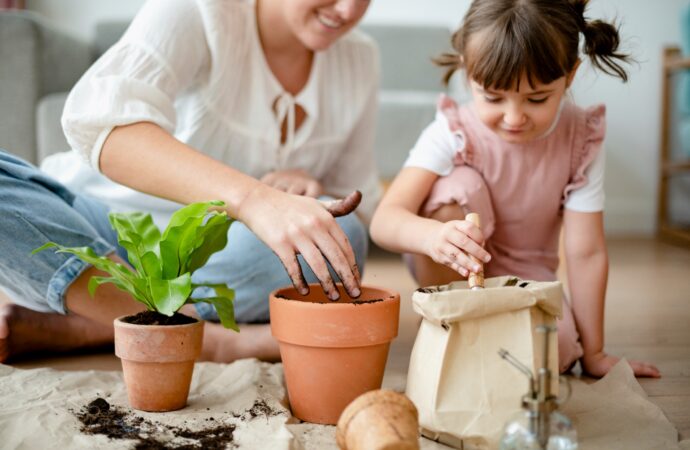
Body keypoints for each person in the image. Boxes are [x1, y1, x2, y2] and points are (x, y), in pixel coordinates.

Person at [0, 0, 381, 363]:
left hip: (212, 260)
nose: (348, 10)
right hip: (94, 234)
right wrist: (254, 198)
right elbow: (101, 123)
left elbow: (354, 204)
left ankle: (97, 325)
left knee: (339, 232)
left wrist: (307, 185)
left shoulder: (359, 58)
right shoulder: (201, 10)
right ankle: (210, 340)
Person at [370, 0, 660, 378]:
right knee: (458, 189)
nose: (513, 117)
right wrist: (433, 236)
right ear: (466, 70)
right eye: (493, 97)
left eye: (537, 99)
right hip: (450, 265)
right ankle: (457, 319)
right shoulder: (452, 130)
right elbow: (384, 221)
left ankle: (485, 342)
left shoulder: (581, 139)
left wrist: (595, 352)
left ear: (570, 75)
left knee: (552, 355)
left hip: (528, 274)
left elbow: (585, 252)